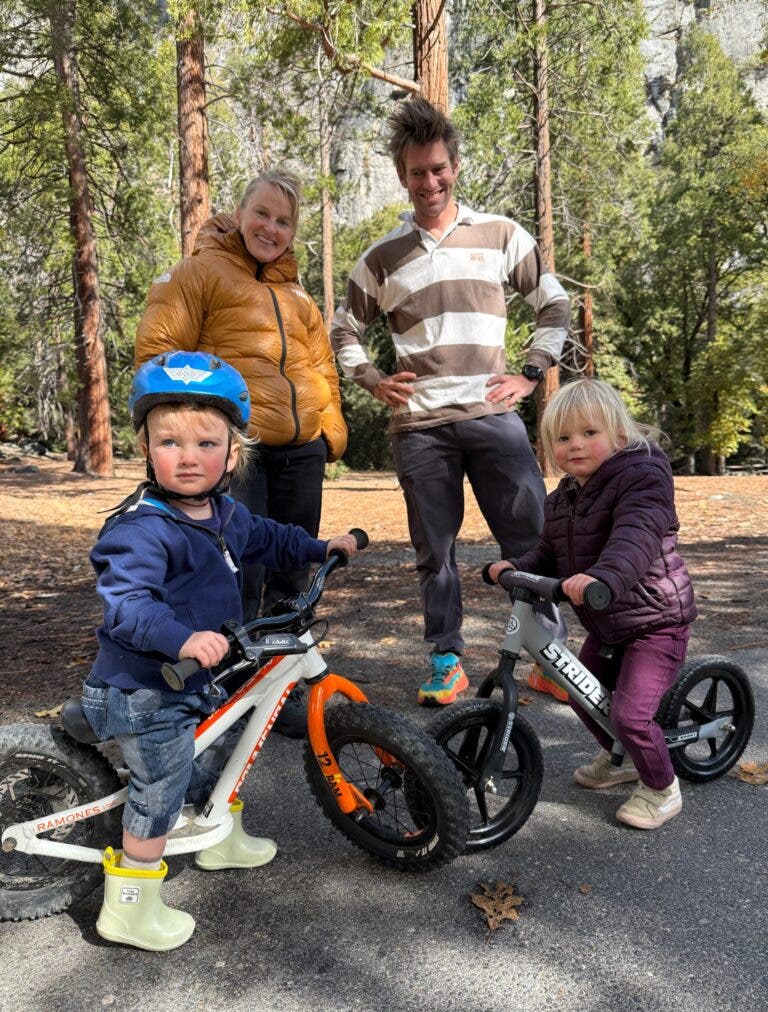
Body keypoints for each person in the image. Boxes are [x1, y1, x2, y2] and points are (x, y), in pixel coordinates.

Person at [81, 351, 358, 950]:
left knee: (229, 741)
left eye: (206, 443)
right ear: (146, 449)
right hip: (146, 686)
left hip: (199, 676)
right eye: (169, 442)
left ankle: (216, 837)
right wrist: (180, 637)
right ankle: (128, 906)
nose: (188, 456)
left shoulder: (224, 512)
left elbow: (269, 538)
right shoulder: (139, 527)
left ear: (234, 453)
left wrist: (320, 546)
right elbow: (128, 604)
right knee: (161, 785)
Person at [331, 97, 570, 706]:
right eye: (417, 172)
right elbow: (343, 330)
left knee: (531, 542)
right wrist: (371, 380)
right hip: (420, 428)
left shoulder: (500, 235)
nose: (429, 182)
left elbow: (554, 303)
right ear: (401, 175)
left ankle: (546, 655)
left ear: (455, 166)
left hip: (494, 417)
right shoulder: (380, 257)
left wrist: (531, 373)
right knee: (434, 552)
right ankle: (446, 658)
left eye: (438, 168)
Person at [135, 168, 347, 738]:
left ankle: (279, 687)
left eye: (283, 221)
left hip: (300, 450)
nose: (271, 228)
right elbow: (158, 352)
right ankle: (225, 687)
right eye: (262, 214)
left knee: (292, 568)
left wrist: (329, 428)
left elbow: (319, 364)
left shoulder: (298, 295)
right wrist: (195, 437)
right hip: (239, 451)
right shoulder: (199, 272)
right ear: (239, 211)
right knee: (235, 569)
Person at [488, 378, 697, 830]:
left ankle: (662, 787)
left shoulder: (644, 478)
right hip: (608, 621)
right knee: (581, 693)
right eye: (563, 438)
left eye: (589, 433)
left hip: (655, 620)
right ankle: (621, 759)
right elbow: (545, 551)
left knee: (631, 714)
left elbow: (635, 539)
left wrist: (604, 577)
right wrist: (513, 566)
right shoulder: (564, 497)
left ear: (619, 437)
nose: (575, 445)